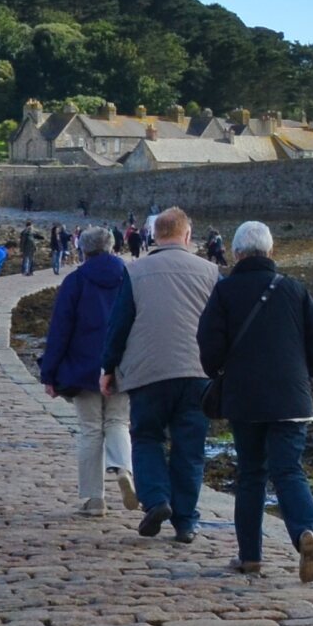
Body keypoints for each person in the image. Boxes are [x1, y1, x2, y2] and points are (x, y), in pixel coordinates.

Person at [198, 220, 313, 581]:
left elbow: (209, 346)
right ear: (271, 252)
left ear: (236, 254)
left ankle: (251, 556)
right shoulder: (294, 289)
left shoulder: (224, 292)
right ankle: (305, 531)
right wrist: (305, 374)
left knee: (251, 475)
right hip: (292, 397)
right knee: (289, 470)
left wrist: (219, 371)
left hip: (246, 398)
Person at [100, 206, 218, 544]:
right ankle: (186, 522)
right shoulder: (210, 272)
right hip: (197, 372)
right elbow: (221, 325)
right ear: (187, 235)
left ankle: (156, 500)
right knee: (189, 449)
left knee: (147, 437)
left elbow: (118, 325)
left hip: (148, 372)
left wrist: (108, 368)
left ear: (154, 235)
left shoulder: (135, 271)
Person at [39, 227, 137, 516]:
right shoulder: (131, 277)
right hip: (122, 365)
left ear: (84, 250)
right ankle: (124, 469)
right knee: (118, 422)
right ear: (112, 247)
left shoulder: (76, 281)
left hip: (82, 368)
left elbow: (60, 329)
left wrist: (49, 373)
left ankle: (95, 499)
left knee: (90, 430)